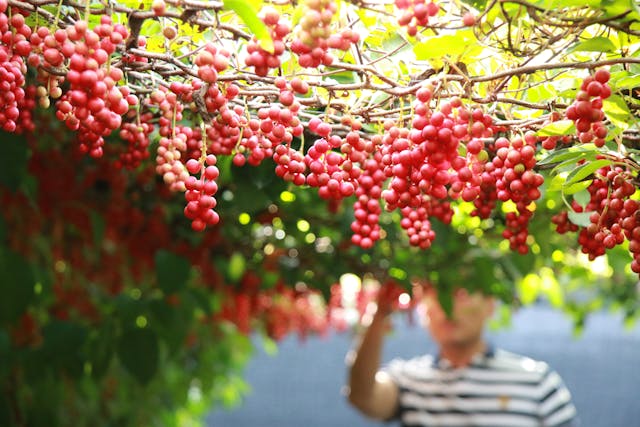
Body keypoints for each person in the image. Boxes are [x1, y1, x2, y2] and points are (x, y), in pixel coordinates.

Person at [345, 282, 579, 426]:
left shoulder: (537, 381)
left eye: (462, 294)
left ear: (490, 305)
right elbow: (363, 397)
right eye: (437, 295)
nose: (448, 308)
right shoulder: (409, 380)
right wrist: (379, 312)